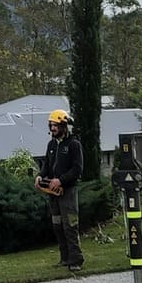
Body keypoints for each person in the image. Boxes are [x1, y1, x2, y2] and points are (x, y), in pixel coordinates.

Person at [35, 108, 84, 270]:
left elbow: (77, 169)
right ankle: (64, 258)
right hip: (53, 193)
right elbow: (47, 166)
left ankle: (76, 260)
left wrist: (60, 180)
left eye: (55, 125)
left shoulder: (74, 145)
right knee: (57, 225)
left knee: (70, 225)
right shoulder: (51, 145)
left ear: (64, 126)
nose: (52, 128)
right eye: (50, 125)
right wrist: (40, 176)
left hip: (68, 192)